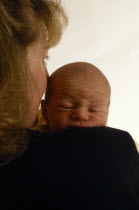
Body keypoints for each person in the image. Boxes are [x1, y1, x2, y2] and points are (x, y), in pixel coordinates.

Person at [0, 0, 139, 209]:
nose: (81, 116)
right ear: (8, 66)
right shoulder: (107, 153)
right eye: (43, 58)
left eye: (94, 109)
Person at [41, 61, 111, 132]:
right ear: (45, 111)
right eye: (66, 106)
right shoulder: (32, 138)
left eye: (94, 110)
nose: (81, 115)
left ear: (107, 113)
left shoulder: (110, 140)